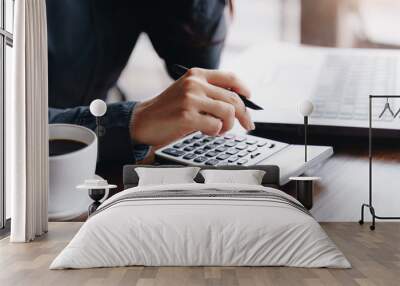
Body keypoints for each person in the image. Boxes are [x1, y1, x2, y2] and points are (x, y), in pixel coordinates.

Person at [47, 0, 254, 164]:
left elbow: (196, 59)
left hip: (88, 163)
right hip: (31, 170)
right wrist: (128, 122)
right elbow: (15, 123)